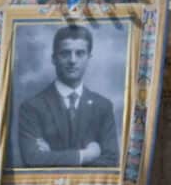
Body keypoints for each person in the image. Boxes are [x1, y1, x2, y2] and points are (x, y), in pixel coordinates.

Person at [13, 24, 122, 169]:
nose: (72, 60)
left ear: (89, 58)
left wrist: (51, 157)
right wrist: (86, 155)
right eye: (65, 53)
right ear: (54, 58)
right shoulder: (32, 107)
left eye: (80, 53)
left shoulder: (103, 106)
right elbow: (33, 158)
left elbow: (111, 160)